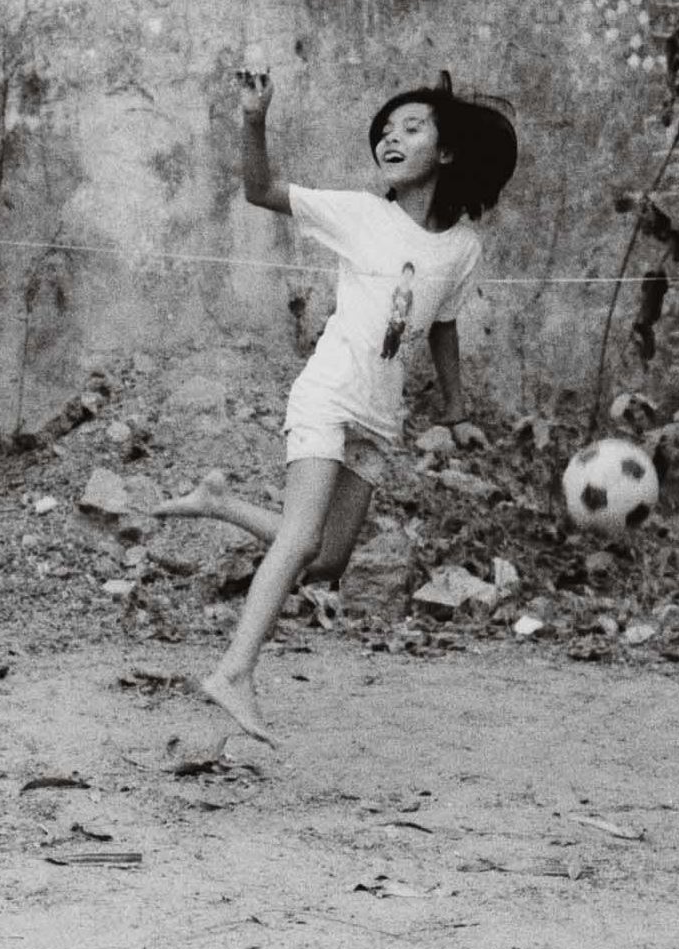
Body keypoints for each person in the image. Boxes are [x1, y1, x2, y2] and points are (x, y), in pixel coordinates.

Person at [155, 63, 517, 744]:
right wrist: (254, 118)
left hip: (378, 416)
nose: (390, 137)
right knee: (299, 539)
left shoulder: (462, 248)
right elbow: (260, 189)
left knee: (324, 561)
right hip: (328, 392)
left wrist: (457, 411)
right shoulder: (359, 214)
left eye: (411, 127)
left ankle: (218, 502)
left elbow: (442, 326)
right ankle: (234, 671)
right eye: (385, 129)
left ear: (446, 152)